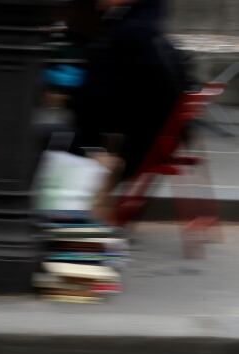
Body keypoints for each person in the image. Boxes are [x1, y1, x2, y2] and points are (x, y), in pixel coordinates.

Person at [70, 0, 194, 223]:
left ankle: (82, 232)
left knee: (57, 140)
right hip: (150, 138)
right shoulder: (146, 27)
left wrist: (95, 144)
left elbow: (100, 99)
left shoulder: (131, 34)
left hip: (133, 144)